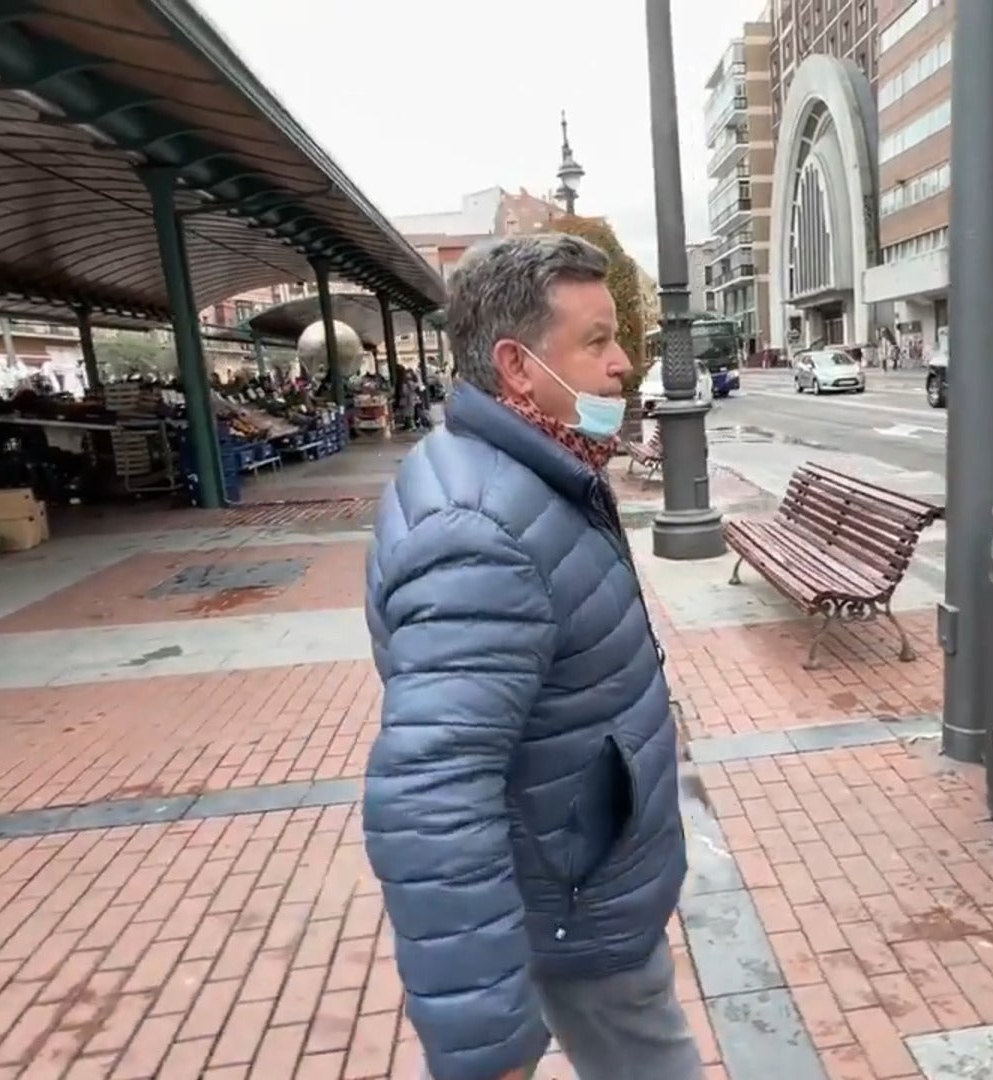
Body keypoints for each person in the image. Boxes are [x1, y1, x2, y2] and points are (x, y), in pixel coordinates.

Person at [363, 233, 697, 1080]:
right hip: (579, 907)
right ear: (517, 367)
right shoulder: (482, 529)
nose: (625, 364)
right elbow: (432, 792)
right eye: (597, 340)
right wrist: (489, 1045)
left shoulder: (528, 470)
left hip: (583, 874)